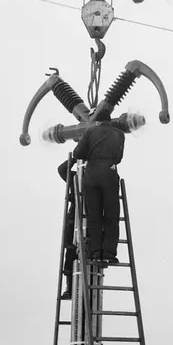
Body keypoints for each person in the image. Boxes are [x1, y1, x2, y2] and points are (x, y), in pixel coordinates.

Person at [61, 109, 125, 264]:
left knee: (93, 216)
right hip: (110, 174)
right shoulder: (119, 134)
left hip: (92, 176)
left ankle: (96, 252)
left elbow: (78, 153)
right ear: (109, 120)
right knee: (111, 216)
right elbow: (119, 158)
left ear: (97, 121)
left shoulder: (90, 132)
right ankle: (109, 253)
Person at [57, 159, 77, 300]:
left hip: (90, 220)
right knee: (70, 252)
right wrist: (75, 157)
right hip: (74, 219)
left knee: (86, 255)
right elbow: (62, 169)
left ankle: (78, 290)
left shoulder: (93, 175)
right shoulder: (76, 177)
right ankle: (70, 288)